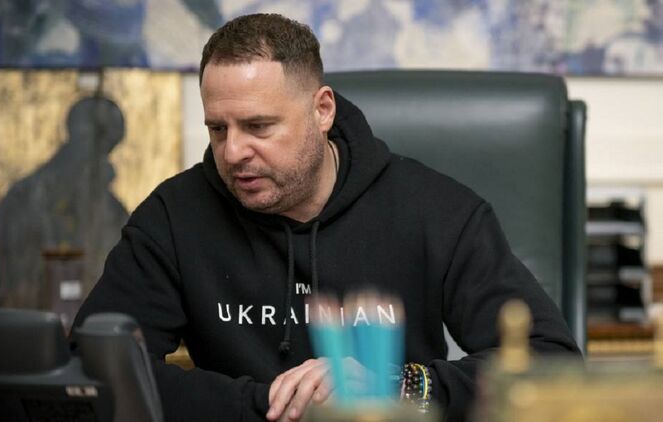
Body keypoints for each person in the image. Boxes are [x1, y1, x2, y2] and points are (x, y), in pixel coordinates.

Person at [73, 13, 580, 422]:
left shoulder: (437, 211)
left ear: (322, 110)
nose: (233, 152)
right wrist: (269, 405)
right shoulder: (174, 215)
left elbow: (552, 363)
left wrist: (396, 387)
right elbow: (94, 366)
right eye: (218, 129)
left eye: (258, 126)